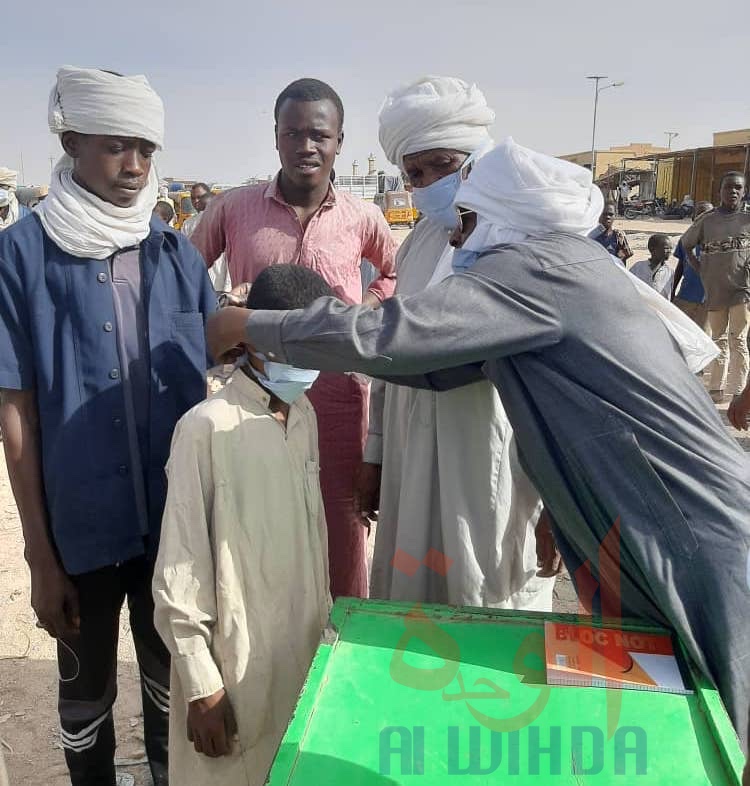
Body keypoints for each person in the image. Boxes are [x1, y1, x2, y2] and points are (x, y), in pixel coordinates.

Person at [207, 138, 750, 751]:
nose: (458, 239)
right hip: (637, 524)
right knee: (666, 713)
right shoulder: (561, 267)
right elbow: (432, 367)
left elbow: (396, 333)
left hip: (685, 529)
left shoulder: (536, 268)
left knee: (721, 726)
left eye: (466, 221)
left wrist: (256, 326)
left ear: (505, 220)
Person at [0, 66, 217, 785]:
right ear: (71, 141)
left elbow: (220, 378)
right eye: (116, 146)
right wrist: (39, 554)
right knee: (85, 695)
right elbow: (16, 409)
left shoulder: (177, 256)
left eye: (147, 149)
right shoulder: (22, 257)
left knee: (170, 687)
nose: (135, 166)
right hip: (79, 534)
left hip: (170, 529)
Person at [192, 78, 398, 599]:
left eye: (319, 135)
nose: (306, 146)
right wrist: (225, 309)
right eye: (293, 133)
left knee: (342, 529)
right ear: (277, 137)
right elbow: (184, 273)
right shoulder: (234, 209)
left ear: (339, 142)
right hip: (257, 399)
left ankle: (340, 642)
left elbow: (395, 274)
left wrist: (362, 311)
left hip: (338, 400)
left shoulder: (362, 216)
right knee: (260, 526)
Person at [357, 76, 556, 608]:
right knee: (413, 600)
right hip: (409, 450)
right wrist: (375, 455)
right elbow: (389, 349)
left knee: (486, 601)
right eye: (414, 173)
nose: (427, 184)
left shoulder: (526, 240)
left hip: (491, 455)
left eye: (441, 166)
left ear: (477, 158)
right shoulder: (419, 241)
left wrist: (563, 506)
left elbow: (567, 388)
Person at [153, 264, 331, 786]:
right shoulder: (206, 428)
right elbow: (179, 570)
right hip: (235, 662)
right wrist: (200, 684)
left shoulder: (304, 416)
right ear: (255, 339)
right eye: (290, 344)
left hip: (300, 648)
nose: (304, 362)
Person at [681, 172, 750, 402]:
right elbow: (686, 245)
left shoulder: (748, 219)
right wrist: (701, 269)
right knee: (718, 338)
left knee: (738, 339)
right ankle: (716, 389)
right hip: (715, 289)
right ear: (719, 191)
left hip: (742, 289)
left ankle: (738, 391)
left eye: (738, 188)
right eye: (728, 187)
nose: (733, 191)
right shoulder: (707, 220)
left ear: (744, 191)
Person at [182, 183, 232, 294]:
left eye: (200, 197)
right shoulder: (188, 224)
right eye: (193, 198)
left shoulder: (226, 222)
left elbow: (230, 256)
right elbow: (184, 254)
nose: (196, 201)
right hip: (199, 282)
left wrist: (227, 286)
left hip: (218, 282)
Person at [671, 201, 713, 332]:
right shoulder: (685, 240)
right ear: (693, 217)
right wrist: (672, 290)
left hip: (709, 301)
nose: (703, 217)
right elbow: (680, 267)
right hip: (685, 296)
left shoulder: (720, 242)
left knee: (704, 339)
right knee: (679, 334)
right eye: (700, 213)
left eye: (708, 214)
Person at [629, 233, 674, 299]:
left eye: (670, 248)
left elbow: (671, 293)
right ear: (652, 249)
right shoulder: (638, 267)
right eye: (666, 248)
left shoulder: (669, 272)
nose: (669, 251)